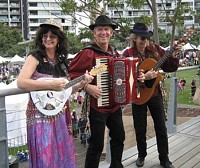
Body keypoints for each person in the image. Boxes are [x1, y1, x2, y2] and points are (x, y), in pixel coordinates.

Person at [69, 15, 145, 168]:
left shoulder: (115, 54)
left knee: (119, 136)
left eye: (106, 29)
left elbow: (125, 75)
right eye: (99, 30)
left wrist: (139, 75)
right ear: (94, 33)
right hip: (98, 105)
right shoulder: (88, 53)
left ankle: (116, 165)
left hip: (114, 105)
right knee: (96, 144)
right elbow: (71, 75)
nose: (103, 33)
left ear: (112, 33)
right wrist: (87, 87)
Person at [17, 19, 93, 168]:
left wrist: (82, 82)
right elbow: (21, 82)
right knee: (44, 153)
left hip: (59, 113)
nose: (48, 39)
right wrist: (51, 84)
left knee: (60, 152)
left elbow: (66, 90)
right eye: (45, 35)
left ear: (59, 39)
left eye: (52, 36)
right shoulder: (34, 57)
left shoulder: (62, 61)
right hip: (39, 114)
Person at [122, 23, 183, 168]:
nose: (144, 41)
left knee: (161, 126)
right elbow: (123, 76)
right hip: (138, 94)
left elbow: (170, 67)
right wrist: (143, 76)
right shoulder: (127, 54)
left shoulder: (155, 49)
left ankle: (164, 158)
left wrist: (174, 53)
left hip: (155, 93)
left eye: (146, 38)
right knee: (140, 127)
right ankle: (141, 155)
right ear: (134, 38)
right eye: (141, 38)